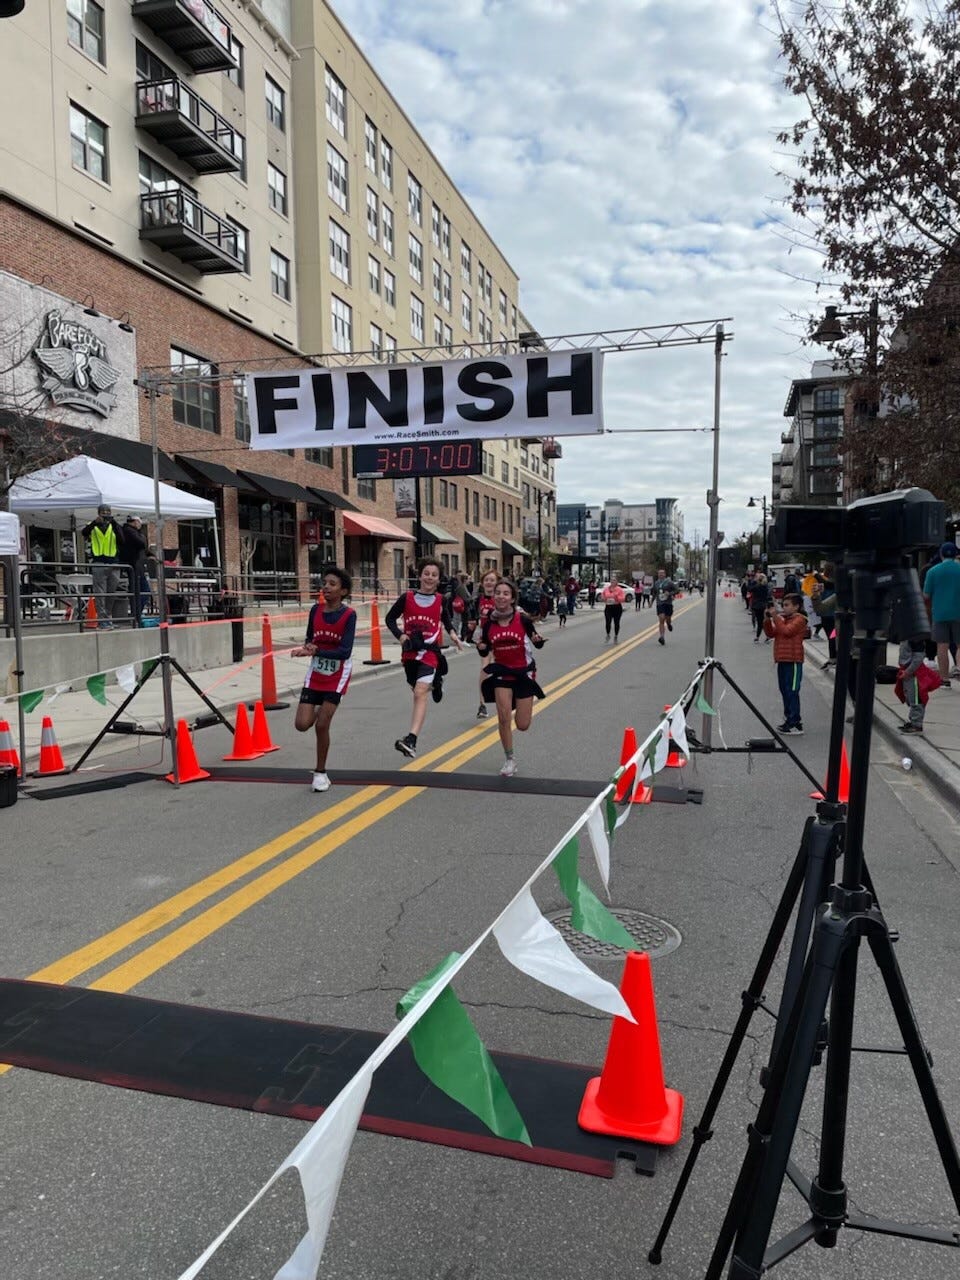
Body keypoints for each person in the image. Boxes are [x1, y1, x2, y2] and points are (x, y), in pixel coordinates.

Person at [385, 556, 463, 758]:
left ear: (439, 579)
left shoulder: (440, 600)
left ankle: (411, 739)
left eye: (434, 575)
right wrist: (401, 635)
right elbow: (390, 618)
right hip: (410, 652)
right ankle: (437, 682)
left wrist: (453, 634)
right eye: (426, 574)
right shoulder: (407, 598)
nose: (430, 578)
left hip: (430, 652)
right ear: (419, 576)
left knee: (420, 692)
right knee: (416, 688)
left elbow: (445, 619)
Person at [291, 567, 356, 792]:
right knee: (301, 725)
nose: (326, 587)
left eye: (332, 584)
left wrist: (315, 652)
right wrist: (308, 646)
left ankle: (320, 773)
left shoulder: (349, 615)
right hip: (316, 672)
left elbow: (344, 651)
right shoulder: (315, 610)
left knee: (322, 726)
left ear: (343, 591)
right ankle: (320, 711)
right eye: (325, 582)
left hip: (337, 673)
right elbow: (311, 636)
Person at [475, 577, 546, 777]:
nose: (501, 597)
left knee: (522, 725)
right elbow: (485, 649)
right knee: (504, 717)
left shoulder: (522, 619)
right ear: (494, 596)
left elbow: (536, 642)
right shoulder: (489, 624)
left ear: (512, 598)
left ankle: (518, 701)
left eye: (506, 593)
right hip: (501, 672)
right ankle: (509, 759)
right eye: (498, 593)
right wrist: (481, 648)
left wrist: (538, 640)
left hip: (523, 671)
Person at [763, 592, 807, 734]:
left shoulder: (800, 619)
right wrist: (767, 620)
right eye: (783, 605)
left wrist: (776, 616)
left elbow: (787, 632)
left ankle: (795, 722)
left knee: (792, 691)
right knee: (784, 691)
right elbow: (771, 633)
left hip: (793, 660)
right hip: (782, 659)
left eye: (787, 605)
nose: (784, 608)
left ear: (797, 606)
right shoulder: (784, 619)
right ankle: (789, 719)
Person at [922, 541, 960, 687]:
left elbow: (926, 595)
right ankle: (958, 667)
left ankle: (944, 680)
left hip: (939, 613)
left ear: (941, 554)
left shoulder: (933, 571)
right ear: (956, 554)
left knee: (942, 646)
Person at [81, 505, 124, 628]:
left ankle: (108, 618)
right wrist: (95, 523)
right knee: (100, 593)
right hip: (99, 562)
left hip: (114, 562)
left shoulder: (114, 526)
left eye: (108, 512)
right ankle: (102, 620)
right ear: (98, 513)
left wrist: (114, 522)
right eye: (103, 513)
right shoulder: (92, 525)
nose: (105, 515)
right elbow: (84, 532)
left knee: (111, 592)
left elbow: (122, 540)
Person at [466, 568, 499, 719]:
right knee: (485, 670)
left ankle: (504, 699)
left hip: (500, 638)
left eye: (492, 580)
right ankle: (482, 705)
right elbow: (472, 616)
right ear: (482, 583)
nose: (489, 583)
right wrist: (471, 627)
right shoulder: (478, 600)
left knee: (501, 670)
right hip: (485, 639)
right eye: (487, 580)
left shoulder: (501, 598)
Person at [120, 515, 147, 626]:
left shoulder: (130, 531)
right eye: (139, 522)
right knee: (140, 590)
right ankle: (136, 615)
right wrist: (141, 534)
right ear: (135, 522)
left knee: (140, 590)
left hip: (137, 565)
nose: (140, 525)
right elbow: (141, 543)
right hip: (134, 565)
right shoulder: (129, 531)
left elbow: (142, 547)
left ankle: (136, 614)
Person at [655, 568, 677, 645]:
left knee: (667, 618)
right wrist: (650, 602)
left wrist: (670, 593)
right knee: (661, 619)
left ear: (665, 574)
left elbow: (676, 590)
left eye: (662, 573)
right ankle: (662, 637)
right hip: (660, 603)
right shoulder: (656, 583)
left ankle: (668, 624)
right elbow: (654, 593)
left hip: (668, 603)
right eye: (659, 573)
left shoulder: (669, 582)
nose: (660, 574)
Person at [749, 572, 770, 642]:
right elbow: (768, 596)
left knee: (760, 621)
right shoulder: (766, 587)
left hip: (757, 605)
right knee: (764, 621)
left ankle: (758, 637)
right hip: (764, 605)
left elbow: (750, 589)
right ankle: (767, 636)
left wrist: (753, 581)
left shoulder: (757, 586)